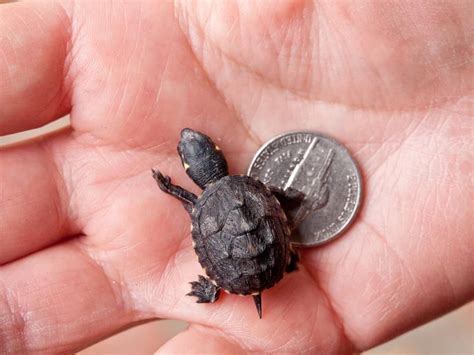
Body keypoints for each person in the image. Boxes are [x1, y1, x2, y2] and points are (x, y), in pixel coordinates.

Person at [0, 1, 472, 353]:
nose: (191, 142)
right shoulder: (248, 187)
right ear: (216, 156)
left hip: (262, 264)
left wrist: (167, 188)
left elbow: (198, 202)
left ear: (195, 169)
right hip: (272, 257)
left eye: (191, 152)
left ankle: (216, 290)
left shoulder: (201, 198)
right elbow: (272, 199)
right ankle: (249, 275)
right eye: (194, 149)